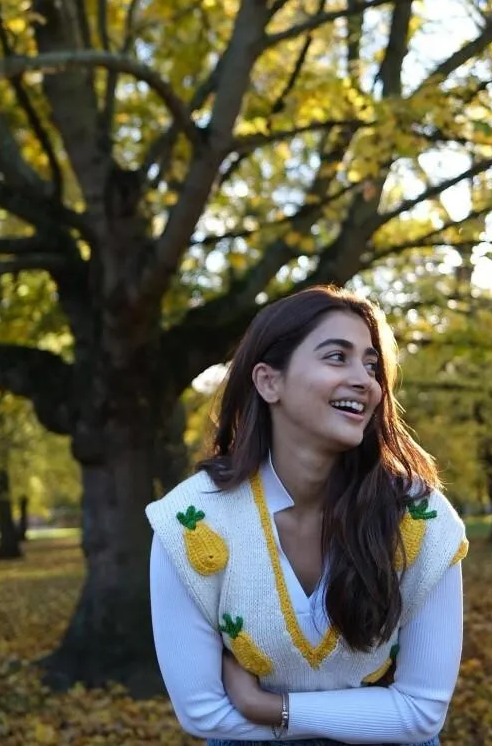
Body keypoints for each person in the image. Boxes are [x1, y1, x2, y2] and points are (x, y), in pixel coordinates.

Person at [146, 285, 468, 745]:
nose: (366, 381)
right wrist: (369, 715)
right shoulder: (189, 522)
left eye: (371, 365)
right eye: (337, 357)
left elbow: (421, 713)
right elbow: (202, 713)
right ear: (268, 381)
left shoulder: (421, 518)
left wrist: (272, 709)